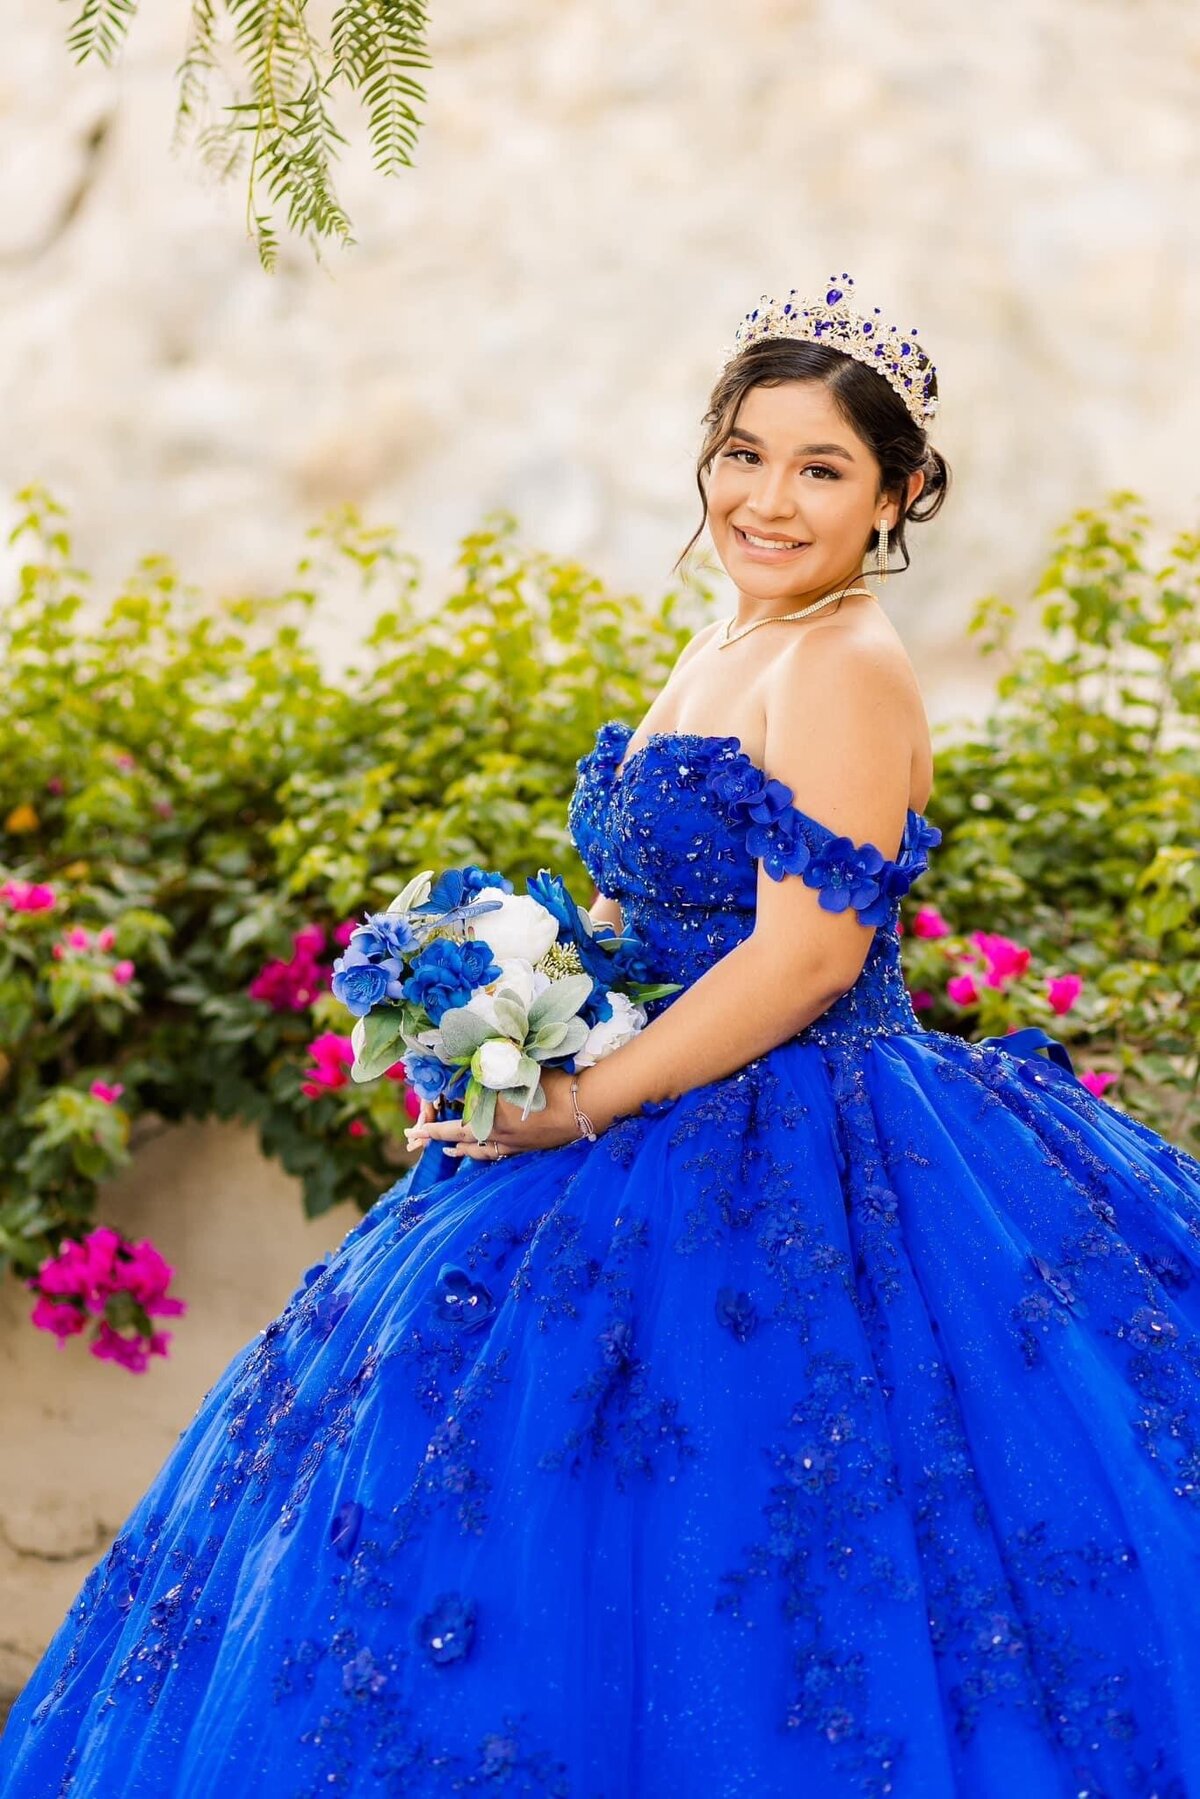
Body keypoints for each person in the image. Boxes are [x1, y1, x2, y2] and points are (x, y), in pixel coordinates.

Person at [4, 274, 1200, 1799]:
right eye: (744, 453)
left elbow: (804, 961)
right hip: (667, 1084)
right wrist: (514, 1001)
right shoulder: (745, 635)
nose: (769, 497)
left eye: (822, 467)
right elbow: (672, 914)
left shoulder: (845, 663)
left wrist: (575, 1100)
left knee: (771, 1534)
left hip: (802, 1129)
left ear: (899, 490)